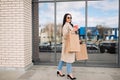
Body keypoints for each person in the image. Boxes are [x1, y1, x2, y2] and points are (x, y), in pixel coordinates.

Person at [57, 13, 78, 80]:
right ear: (65, 18)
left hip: (70, 44)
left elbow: (73, 36)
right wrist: (73, 30)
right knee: (68, 59)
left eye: (70, 17)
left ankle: (59, 70)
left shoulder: (70, 25)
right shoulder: (65, 26)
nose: (70, 19)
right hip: (67, 45)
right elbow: (65, 36)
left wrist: (74, 30)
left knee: (64, 58)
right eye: (68, 17)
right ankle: (69, 74)